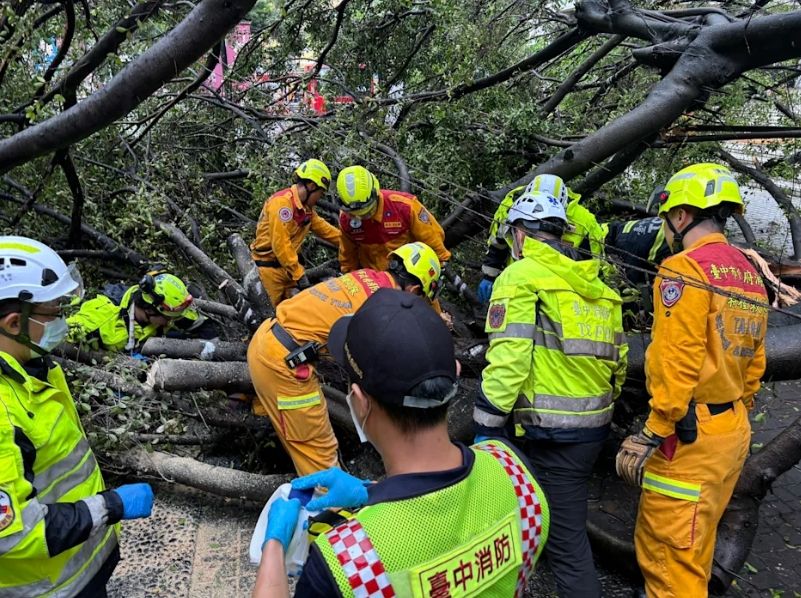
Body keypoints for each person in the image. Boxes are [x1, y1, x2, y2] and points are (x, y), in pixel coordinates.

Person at [253, 288, 550, 598]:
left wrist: (273, 547)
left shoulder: (346, 564)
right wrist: (371, 491)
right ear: (456, 375)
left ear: (359, 402)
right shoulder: (516, 474)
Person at [615, 163, 769, 597]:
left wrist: (653, 430)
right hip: (731, 429)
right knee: (696, 543)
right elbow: (756, 361)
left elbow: (676, 361)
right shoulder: (747, 272)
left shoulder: (684, 269)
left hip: (688, 435)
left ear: (680, 216)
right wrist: (735, 410)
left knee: (669, 556)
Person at [474, 191, 627, 598]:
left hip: (545, 433)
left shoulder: (521, 277)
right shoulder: (599, 288)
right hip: (591, 431)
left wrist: (483, 423)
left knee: (565, 543)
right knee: (551, 521)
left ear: (521, 234)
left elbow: (509, 358)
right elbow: (619, 364)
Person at [0, 236, 154, 597]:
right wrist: (111, 505)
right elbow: (15, 534)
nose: (62, 322)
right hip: (49, 588)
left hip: (81, 565)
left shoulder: (33, 367)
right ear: (12, 323)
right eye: (54, 313)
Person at [247, 242, 444, 476]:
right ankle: (333, 510)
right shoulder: (384, 308)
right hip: (285, 365)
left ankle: (272, 451)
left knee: (292, 434)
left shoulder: (366, 277)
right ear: (413, 291)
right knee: (320, 453)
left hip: (267, 339)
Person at [477, 174, 606, 303]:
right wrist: (489, 276)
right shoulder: (510, 209)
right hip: (516, 278)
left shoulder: (584, 223)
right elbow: (498, 243)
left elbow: (591, 266)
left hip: (560, 289)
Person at [250, 159, 341, 307]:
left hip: (288, 272)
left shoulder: (306, 210)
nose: (319, 198)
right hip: (268, 272)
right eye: (320, 193)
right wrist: (299, 273)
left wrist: (352, 241)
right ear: (312, 186)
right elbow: (280, 244)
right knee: (268, 318)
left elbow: (326, 230)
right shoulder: (282, 204)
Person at [336, 165, 451, 273]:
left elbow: (433, 241)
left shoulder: (405, 207)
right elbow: (348, 257)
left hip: (409, 276)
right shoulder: (346, 220)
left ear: (376, 193)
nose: (362, 217)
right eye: (356, 215)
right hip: (374, 280)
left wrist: (440, 267)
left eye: (367, 212)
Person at [67, 270, 201, 352]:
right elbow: (61, 333)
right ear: (150, 310)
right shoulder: (100, 318)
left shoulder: (172, 308)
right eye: (167, 318)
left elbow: (199, 321)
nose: (170, 322)